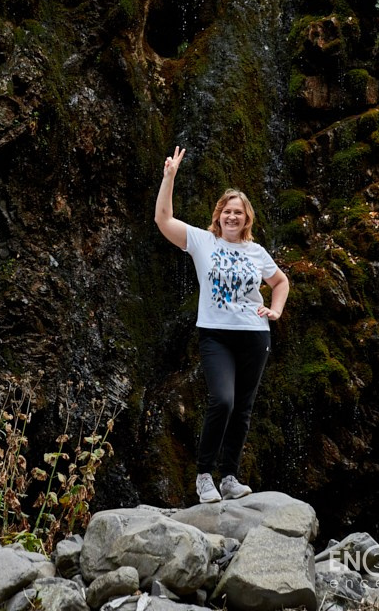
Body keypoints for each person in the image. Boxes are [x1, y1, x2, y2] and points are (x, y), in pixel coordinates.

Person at [155, 145, 289, 503]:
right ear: (219, 215)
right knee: (223, 401)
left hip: (254, 336)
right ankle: (204, 476)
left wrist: (275, 311)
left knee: (243, 408)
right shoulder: (202, 241)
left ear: (247, 219)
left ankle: (229, 477)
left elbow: (280, 282)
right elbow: (164, 221)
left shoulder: (257, 252)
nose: (232, 217)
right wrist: (169, 178)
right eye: (227, 211)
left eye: (239, 213)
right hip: (215, 334)